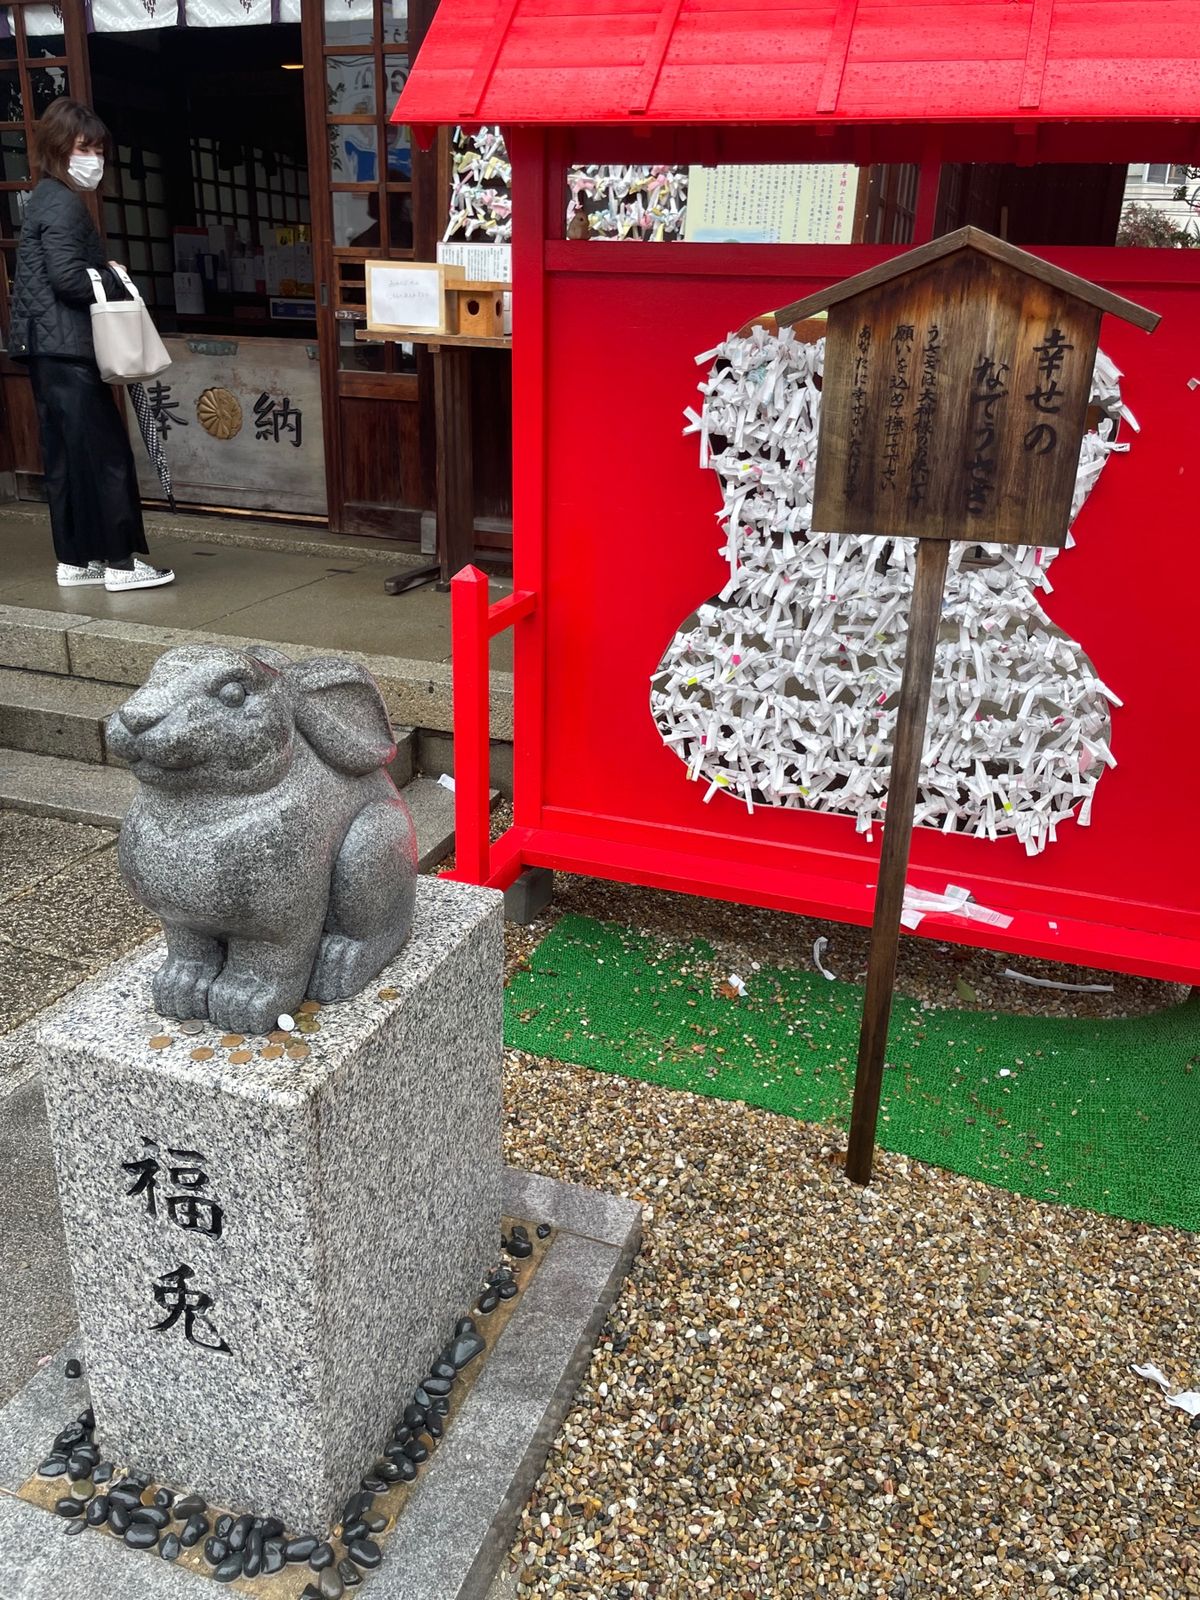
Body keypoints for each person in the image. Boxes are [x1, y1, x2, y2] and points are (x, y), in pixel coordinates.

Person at [8, 98, 174, 592]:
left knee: (66, 457)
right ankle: (121, 563)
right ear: (59, 148)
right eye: (85, 147)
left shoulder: (44, 198)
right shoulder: (61, 203)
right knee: (104, 453)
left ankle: (76, 559)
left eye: (99, 148)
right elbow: (67, 279)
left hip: (46, 347)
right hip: (69, 347)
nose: (94, 158)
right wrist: (112, 273)